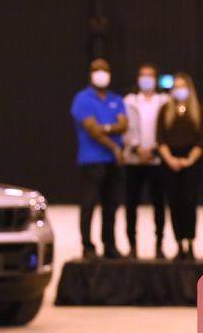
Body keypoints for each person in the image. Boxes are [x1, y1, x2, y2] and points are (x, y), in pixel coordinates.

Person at [70, 58, 128, 260]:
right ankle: (88, 246)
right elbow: (92, 130)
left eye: (105, 69)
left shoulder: (116, 99)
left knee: (111, 206)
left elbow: (124, 125)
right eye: (97, 70)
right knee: (89, 205)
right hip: (92, 160)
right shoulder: (82, 99)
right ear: (90, 74)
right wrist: (113, 145)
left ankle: (110, 245)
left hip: (113, 162)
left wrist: (105, 128)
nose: (101, 73)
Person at [157, 73, 203, 260]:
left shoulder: (197, 109)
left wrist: (189, 160)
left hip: (191, 162)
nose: (179, 90)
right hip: (170, 163)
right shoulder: (165, 110)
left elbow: (202, 139)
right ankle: (179, 243)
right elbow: (160, 138)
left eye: (182, 86)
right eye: (176, 86)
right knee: (175, 203)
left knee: (189, 202)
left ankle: (191, 242)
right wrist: (170, 159)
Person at [123, 64, 168, 259]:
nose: (147, 79)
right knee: (131, 205)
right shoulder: (129, 101)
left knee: (159, 205)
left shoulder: (164, 101)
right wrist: (135, 148)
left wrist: (155, 150)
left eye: (150, 75)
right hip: (134, 160)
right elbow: (124, 128)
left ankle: (159, 246)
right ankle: (132, 247)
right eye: (143, 75)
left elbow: (167, 129)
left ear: (156, 79)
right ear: (138, 78)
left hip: (157, 160)